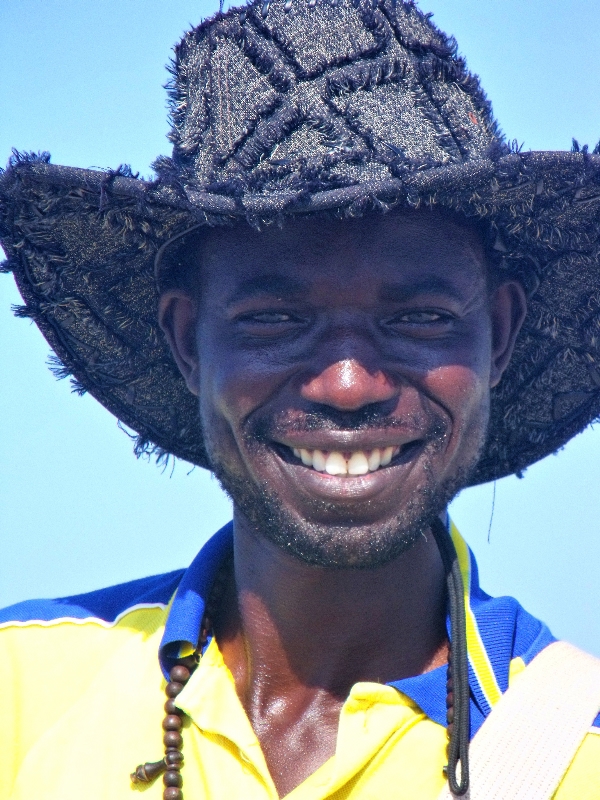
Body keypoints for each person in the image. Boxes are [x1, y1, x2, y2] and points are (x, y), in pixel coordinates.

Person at [1, 1, 599, 799]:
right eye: (276, 319)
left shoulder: (570, 750)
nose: (347, 386)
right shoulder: (26, 690)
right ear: (188, 342)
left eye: (417, 318)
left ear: (499, 334)